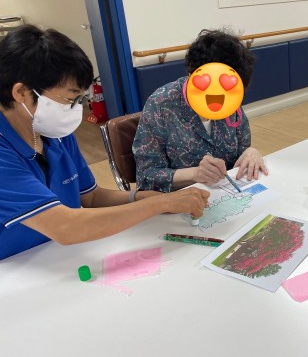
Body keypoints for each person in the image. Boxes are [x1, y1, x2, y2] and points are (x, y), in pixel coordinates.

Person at [0, 25, 210, 260]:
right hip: (15, 267)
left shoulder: (53, 132)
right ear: (21, 92)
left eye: (80, 100)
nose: (76, 110)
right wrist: (159, 205)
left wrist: (140, 197)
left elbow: (91, 197)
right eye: (70, 99)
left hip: (60, 256)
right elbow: (65, 227)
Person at [132, 29, 268, 193]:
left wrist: (251, 152)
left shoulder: (230, 97)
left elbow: (241, 149)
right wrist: (194, 174)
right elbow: (146, 177)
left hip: (225, 193)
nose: (221, 99)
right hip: (180, 199)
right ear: (191, 74)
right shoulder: (161, 105)